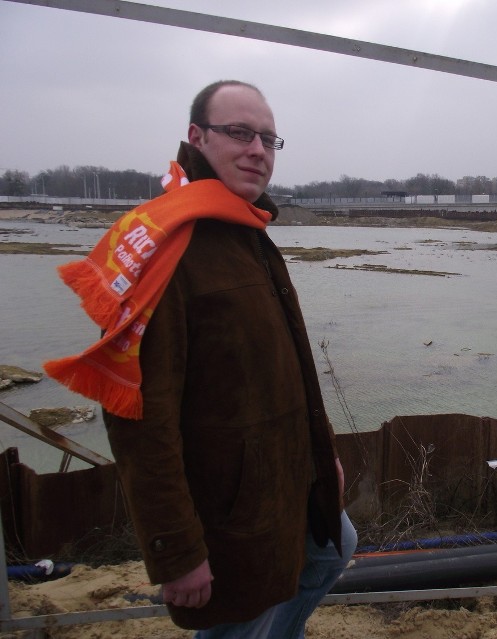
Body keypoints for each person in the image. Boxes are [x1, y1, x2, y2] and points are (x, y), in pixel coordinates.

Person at [45, 80, 356, 636]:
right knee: (244, 620)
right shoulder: (169, 244)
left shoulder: (240, 226)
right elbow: (140, 419)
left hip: (285, 480)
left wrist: (320, 454)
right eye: (239, 133)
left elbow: (288, 367)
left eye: (267, 138)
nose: (257, 149)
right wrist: (177, 552)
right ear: (196, 136)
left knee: (336, 549)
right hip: (228, 511)